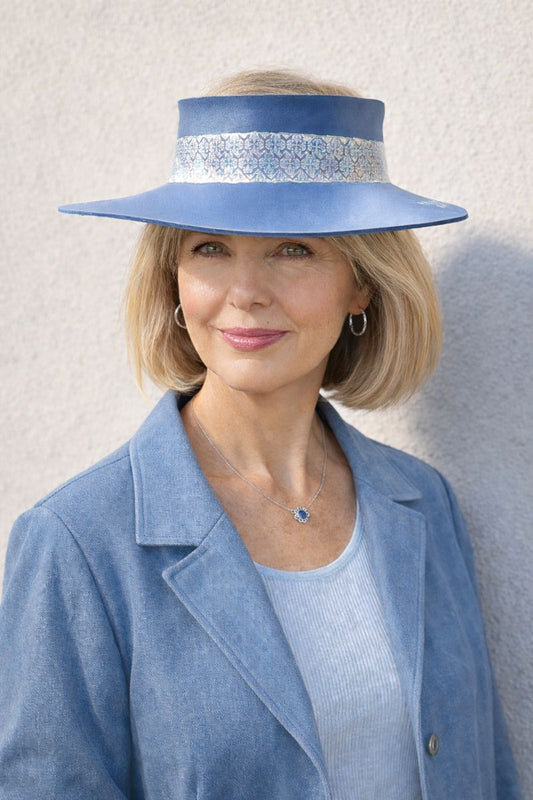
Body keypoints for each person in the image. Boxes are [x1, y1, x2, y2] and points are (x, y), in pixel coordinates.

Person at [0, 68, 522, 800]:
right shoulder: (78, 543)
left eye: (293, 248)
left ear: (361, 284)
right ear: (173, 278)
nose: (245, 293)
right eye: (210, 248)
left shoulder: (424, 505)